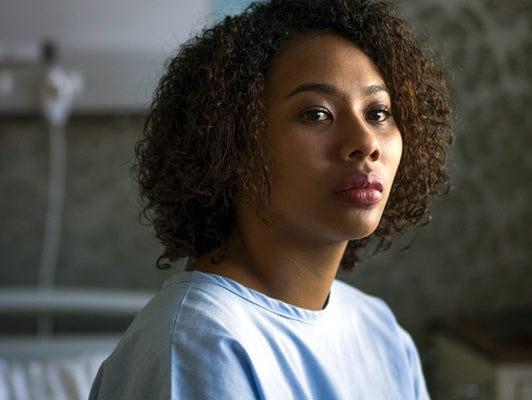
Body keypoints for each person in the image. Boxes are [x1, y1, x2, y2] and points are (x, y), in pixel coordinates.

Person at [89, 0, 453, 398]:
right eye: (316, 114)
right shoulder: (198, 346)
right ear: (232, 143)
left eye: (378, 113)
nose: (366, 142)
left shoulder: (381, 333)